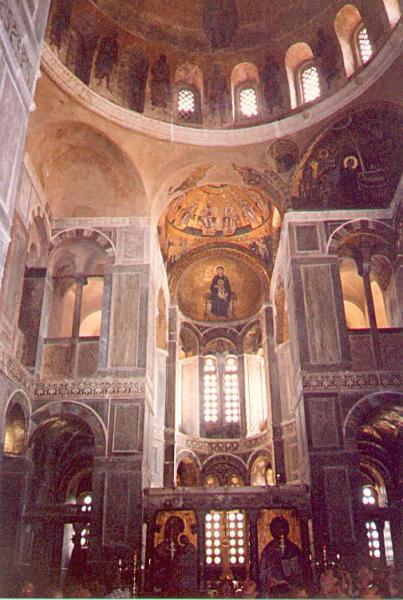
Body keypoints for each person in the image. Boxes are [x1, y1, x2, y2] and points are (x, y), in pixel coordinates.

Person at [258, 516, 306, 594]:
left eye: (283, 527)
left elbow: (300, 572)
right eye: (277, 528)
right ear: (272, 531)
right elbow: (263, 575)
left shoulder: (294, 549)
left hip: (291, 591)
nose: (280, 530)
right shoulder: (268, 550)